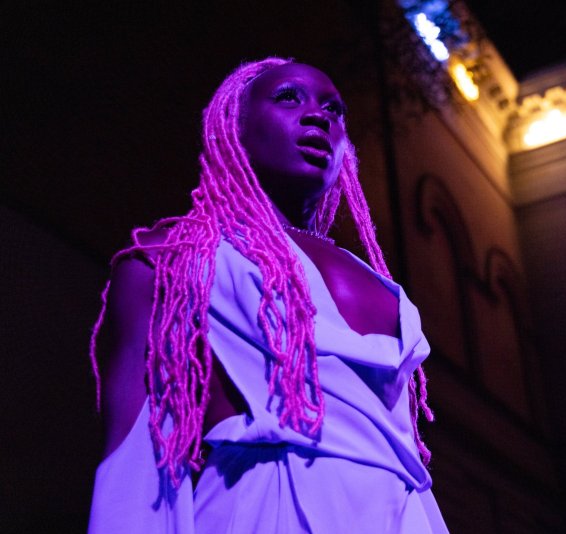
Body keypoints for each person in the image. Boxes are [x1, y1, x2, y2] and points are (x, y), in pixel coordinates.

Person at [87, 57, 448, 533]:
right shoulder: (173, 257)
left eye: (335, 110)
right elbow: (137, 454)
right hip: (267, 505)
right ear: (232, 126)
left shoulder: (381, 284)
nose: (320, 115)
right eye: (288, 97)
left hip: (401, 514)